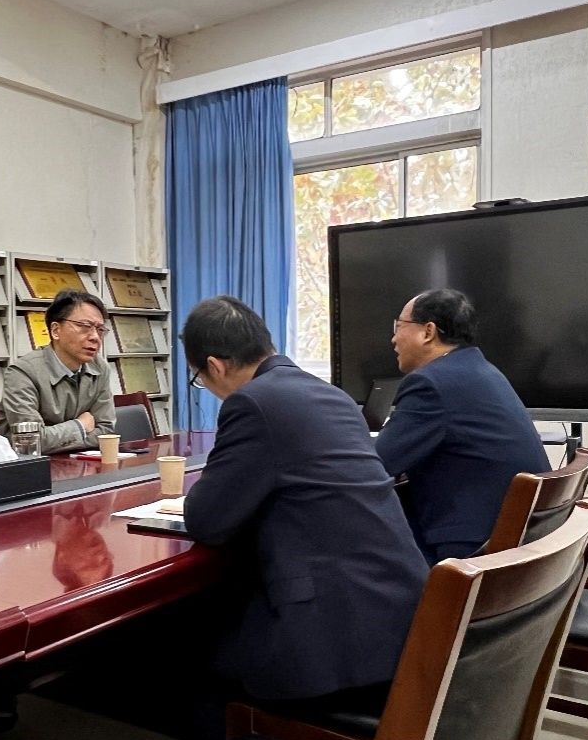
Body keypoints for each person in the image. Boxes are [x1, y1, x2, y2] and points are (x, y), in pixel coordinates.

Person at [181, 296, 428, 714]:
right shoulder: (332, 396)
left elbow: (206, 520)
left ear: (215, 366)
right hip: (400, 622)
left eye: (199, 379)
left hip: (337, 644)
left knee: (186, 653)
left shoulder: (253, 403)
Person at [376, 288, 550, 564]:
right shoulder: (479, 369)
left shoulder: (431, 384)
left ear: (428, 332)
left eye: (399, 326)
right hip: (519, 535)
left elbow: (377, 464)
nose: (394, 338)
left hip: (475, 548)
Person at [0, 289, 116, 453]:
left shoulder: (99, 368)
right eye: (85, 326)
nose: (95, 337)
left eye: (100, 329)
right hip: (31, 466)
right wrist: (80, 426)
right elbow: (31, 442)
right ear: (55, 330)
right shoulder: (22, 373)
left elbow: (106, 432)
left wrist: (56, 439)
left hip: (82, 463)